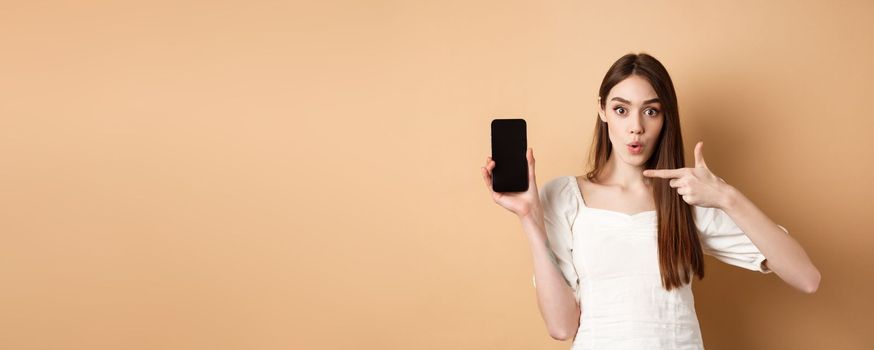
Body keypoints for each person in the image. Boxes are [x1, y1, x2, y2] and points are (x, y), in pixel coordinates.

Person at [479, 53, 821, 349]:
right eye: (621, 109)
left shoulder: (687, 195)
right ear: (602, 111)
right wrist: (530, 219)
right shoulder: (564, 196)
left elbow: (806, 277)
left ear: (665, 117)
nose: (636, 127)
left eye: (651, 111)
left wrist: (727, 197)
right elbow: (561, 326)